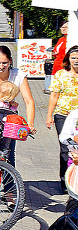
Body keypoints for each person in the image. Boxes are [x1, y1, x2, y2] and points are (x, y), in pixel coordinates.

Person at [47, 45, 78, 191]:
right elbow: (54, 96)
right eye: (73, 57)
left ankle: (75, 178)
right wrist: (49, 116)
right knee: (66, 147)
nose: (76, 60)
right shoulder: (61, 74)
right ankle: (65, 180)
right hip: (63, 115)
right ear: (68, 59)